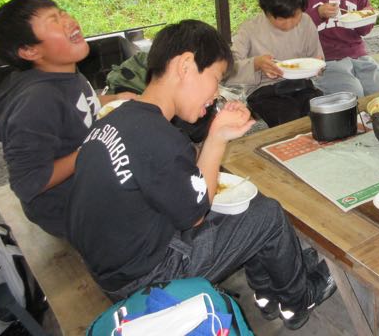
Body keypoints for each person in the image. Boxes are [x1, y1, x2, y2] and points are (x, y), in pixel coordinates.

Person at [66, 20, 336, 329]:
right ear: (185, 66)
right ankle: (298, 300)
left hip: (113, 265)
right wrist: (217, 137)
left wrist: (215, 135)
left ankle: (268, 294)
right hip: (147, 278)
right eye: (216, 78)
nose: (216, 92)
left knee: (248, 207)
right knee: (269, 214)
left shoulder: (119, 117)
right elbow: (195, 214)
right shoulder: (158, 136)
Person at [0, 0, 134, 238]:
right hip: (70, 209)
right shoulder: (37, 102)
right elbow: (28, 182)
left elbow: (78, 106)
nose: (69, 20)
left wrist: (116, 98)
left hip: (90, 179)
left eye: (62, 12)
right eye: (53, 20)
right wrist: (93, 149)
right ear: (30, 50)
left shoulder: (62, 71)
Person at [225, 0, 324, 127]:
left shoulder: (306, 22)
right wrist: (256, 64)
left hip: (301, 86)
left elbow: (316, 59)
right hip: (265, 91)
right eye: (281, 19)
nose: (289, 24)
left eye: (295, 16)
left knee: (320, 112)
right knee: (288, 116)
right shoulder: (250, 29)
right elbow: (227, 71)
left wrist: (318, 66)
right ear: (266, 11)